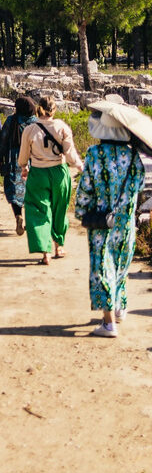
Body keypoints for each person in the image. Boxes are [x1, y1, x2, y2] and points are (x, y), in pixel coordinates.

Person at [75, 109, 144, 338]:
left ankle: (108, 323)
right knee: (121, 263)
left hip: (101, 221)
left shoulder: (94, 154)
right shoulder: (133, 156)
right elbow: (139, 185)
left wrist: (81, 212)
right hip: (125, 220)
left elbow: (85, 187)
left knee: (102, 266)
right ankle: (119, 306)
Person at [18, 95, 83, 265]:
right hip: (59, 171)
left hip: (38, 172)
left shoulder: (30, 129)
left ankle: (45, 251)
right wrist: (79, 165)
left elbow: (23, 155)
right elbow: (70, 153)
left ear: (38, 109)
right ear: (54, 109)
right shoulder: (62, 127)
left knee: (39, 210)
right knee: (59, 209)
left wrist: (24, 167)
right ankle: (59, 246)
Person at [0, 96, 37, 235]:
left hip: (14, 159)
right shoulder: (36, 122)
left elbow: (3, 140)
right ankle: (31, 221)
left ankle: (18, 215)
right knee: (32, 191)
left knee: (14, 191)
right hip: (33, 160)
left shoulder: (11, 120)